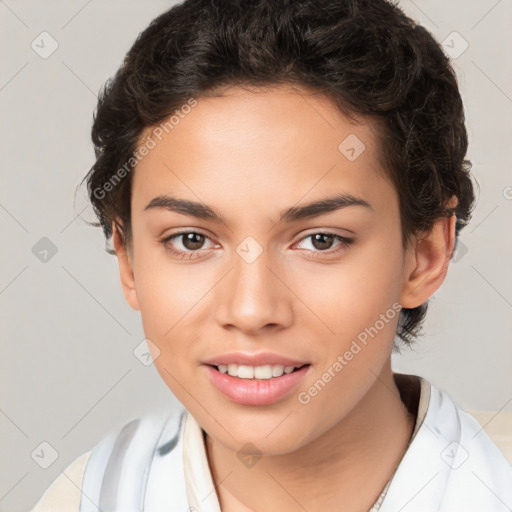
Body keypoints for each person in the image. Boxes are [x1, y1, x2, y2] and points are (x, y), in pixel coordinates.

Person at [31, 0, 512, 511]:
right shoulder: (85, 498)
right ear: (128, 260)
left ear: (426, 253)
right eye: (191, 240)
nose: (251, 309)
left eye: (320, 240)